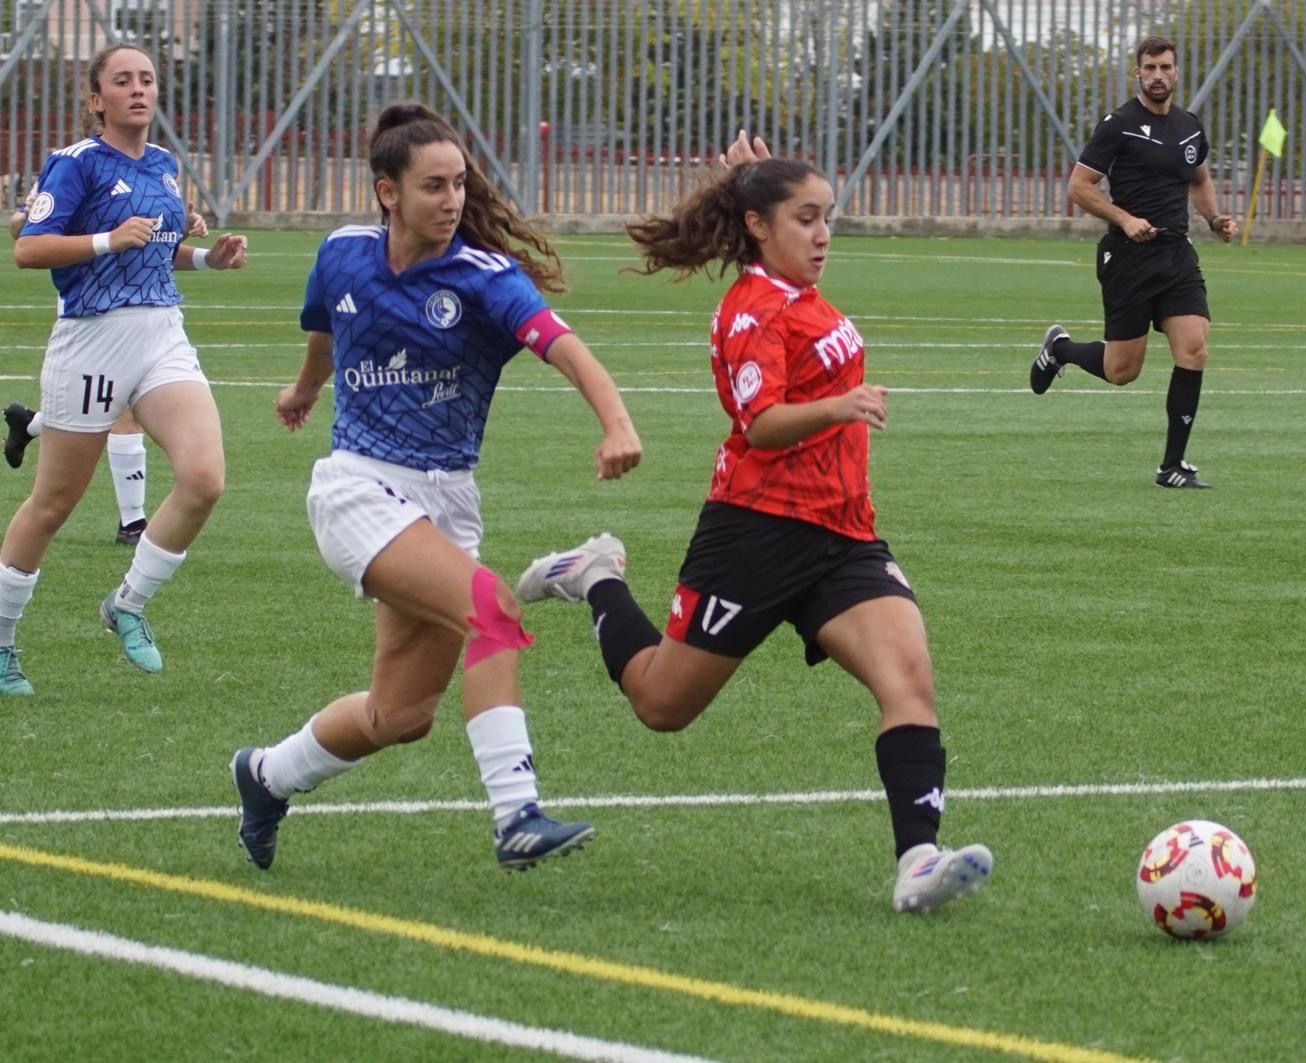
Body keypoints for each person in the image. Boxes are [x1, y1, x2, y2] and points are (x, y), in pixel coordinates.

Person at [516, 149, 993, 914]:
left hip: (843, 532)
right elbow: (761, 423)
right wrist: (838, 407)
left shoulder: (797, 289)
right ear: (758, 226)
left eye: (827, 217)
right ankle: (596, 574)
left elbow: (780, 233)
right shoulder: (751, 312)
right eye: (806, 219)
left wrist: (767, 172)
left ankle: (918, 863)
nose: (823, 233)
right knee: (661, 705)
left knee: (910, 681)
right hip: (754, 533)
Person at [229, 101, 643, 874]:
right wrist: (304, 388)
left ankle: (264, 776)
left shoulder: (486, 279)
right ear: (388, 192)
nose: (452, 201)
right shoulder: (343, 253)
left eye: (458, 184)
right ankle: (516, 813)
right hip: (355, 488)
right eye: (433, 186)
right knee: (495, 608)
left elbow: (566, 349)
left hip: (447, 500)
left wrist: (616, 422)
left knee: (402, 715)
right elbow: (327, 326)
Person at [1, 42, 248, 697]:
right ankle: (2, 646)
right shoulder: (75, 165)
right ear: (95, 99)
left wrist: (208, 261)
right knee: (52, 505)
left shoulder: (165, 166)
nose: (138, 89)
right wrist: (109, 238)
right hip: (92, 341)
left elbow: (159, 249)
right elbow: (27, 248)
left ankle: (127, 604)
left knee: (204, 477)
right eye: (122, 80)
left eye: (146, 79)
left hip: (162, 334)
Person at [1028, 35, 1237, 489]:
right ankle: (1059, 349)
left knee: (1195, 348)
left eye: (1165, 67)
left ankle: (1172, 467)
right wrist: (1124, 219)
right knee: (1122, 371)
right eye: (1149, 68)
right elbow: (1080, 186)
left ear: (1176, 71)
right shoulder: (1118, 125)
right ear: (1137, 73)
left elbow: (1198, 178)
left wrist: (1214, 218)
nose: (1157, 76)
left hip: (1176, 254)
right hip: (1129, 257)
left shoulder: (1188, 125)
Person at [8, 189, 210, 545]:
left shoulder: (151, 166)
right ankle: (133, 523)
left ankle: (32, 424)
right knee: (119, 410)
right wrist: (95, 236)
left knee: (118, 406)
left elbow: (152, 241)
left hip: (142, 307)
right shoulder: (78, 164)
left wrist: (180, 228)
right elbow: (21, 227)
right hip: (92, 309)